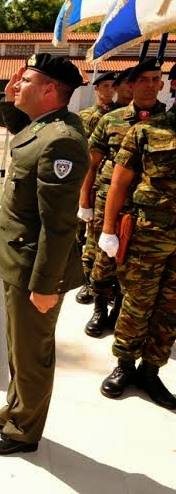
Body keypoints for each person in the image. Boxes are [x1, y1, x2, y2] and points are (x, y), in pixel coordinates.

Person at [0, 53, 88, 455]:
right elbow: (26, 142)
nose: (17, 83)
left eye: (26, 79)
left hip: (34, 268)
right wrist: (10, 103)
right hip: (18, 259)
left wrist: (47, 286)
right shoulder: (45, 129)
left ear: (50, 90)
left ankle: (24, 431)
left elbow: (59, 226)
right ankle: (14, 407)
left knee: (33, 353)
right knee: (18, 346)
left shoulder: (63, 141)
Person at [97, 68, 176, 410]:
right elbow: (118, 184)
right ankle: (125, 365)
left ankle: (152, 371)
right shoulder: (146, 131)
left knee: (171, 310)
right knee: (137, 303)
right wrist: (108, 230)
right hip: (149, 236)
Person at [79, 59, 167, 337]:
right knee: (104, 260)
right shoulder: (111, 120)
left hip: (147, 208)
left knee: (133, 267)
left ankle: (119, 312)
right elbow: (91, 164)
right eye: (144, 79)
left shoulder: (166, 120)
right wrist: (85, 202)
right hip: (110, 203)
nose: (151, 85)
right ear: (131, 84)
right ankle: (100, 309)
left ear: (162, 85)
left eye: (156, 80)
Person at [74, 70, 118, 305]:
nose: (109, 90)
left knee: (97, 236)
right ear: (97, 89)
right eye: (105, 86)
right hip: (87, 178)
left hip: (106, 183)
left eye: (113, 86)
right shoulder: (85, 116)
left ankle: (98, 282)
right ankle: (83, 277)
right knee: (82, 233)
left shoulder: (119, 115)